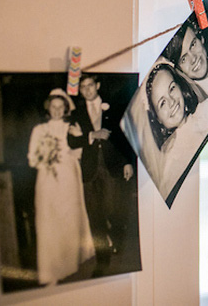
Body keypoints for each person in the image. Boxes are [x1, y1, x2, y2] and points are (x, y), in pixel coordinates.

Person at [67, 75, 135, 274]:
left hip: (111, 165)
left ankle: (117, 239)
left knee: (114, 210)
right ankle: (102, 260)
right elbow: (71, 142)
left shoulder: (112, 107)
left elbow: (125, 136)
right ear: (79, 90)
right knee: (94, 216)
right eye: (83, 87)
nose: (87, 90)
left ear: (97, 86)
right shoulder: (77, 113)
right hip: (89, 170)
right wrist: (90, 135)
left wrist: (127, 162)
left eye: (90, 85)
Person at [27, 89, 94, 284]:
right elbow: (32, 159)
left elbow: (79, 154)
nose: (56, 111)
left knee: (68, 220)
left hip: (68, 181)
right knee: (48, 221)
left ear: (65, 109)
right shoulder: (39, 130)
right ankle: (50, 270)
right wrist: (46, 158)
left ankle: (69, 266)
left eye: (60, 107)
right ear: (48, 108)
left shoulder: (70, 127)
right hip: (47, 181)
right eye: (53, 107)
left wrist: (78, 136)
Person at [145, 63, 208, 198]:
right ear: (158, 118)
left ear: (180, 86)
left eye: (172, 88)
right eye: (162, 103)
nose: (171, 101)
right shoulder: (168, 163)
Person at [161, 18, 208, 109]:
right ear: (179, 69)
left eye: (193, 45)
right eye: (183, 59)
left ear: (201, 39)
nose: (193, 59)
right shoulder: (195, 105)